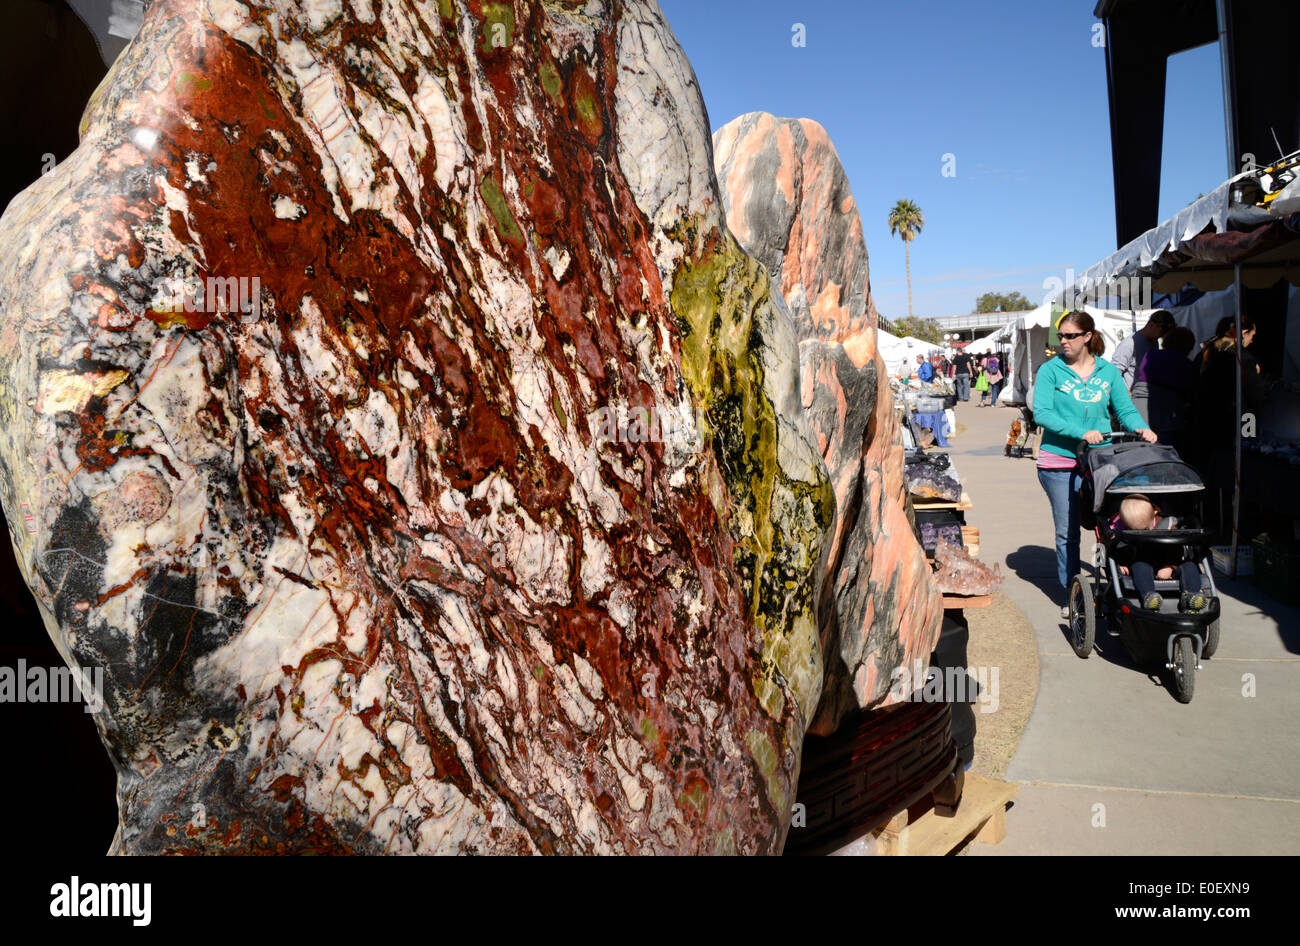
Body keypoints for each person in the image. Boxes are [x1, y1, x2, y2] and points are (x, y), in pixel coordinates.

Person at [1031, 310, 1158, 618]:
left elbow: (1124, 409)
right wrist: (1080, 432)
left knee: (1110, 525)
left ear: (1087, 336)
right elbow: (1042, 413)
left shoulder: (1108, 372)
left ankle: (1121, 584)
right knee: (1068, 532)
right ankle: (1071, 594)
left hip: (1099, 460)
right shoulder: (1051, 371)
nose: (1063, 341)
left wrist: (1141, 427)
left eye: (1070, 336)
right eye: (1060, 336)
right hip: (1058, 462)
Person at [1113, 495, 1207, 613]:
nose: (1143, 532)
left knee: (1189, 566)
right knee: (1139, 567)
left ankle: (1191, 596)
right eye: (1138, 530)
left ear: (1155, 511)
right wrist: (1120, 564)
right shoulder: (1122, 527)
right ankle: (1149, 596)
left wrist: (1169, 567)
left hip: (1170, 562)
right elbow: (1119, 548)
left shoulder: (1167, 524)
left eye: (1146, 528)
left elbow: (1177, 548)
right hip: (1144, 564)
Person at [1137, 326, 1197, 453]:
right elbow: (1190, 392)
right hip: (1167, 413)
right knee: (1161, 453)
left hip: (1139, 404)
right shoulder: (1187, 364)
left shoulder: (1151, 354)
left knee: (1136, 449)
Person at [1111, 310, 1176, 418]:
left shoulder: (1154, 343)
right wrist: (1125, 393)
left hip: (1145, 401)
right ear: (1151, 325)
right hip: (1130, 404)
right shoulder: (1129, 343)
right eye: (1162, 331)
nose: (1163, 335)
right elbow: (1114, 371)